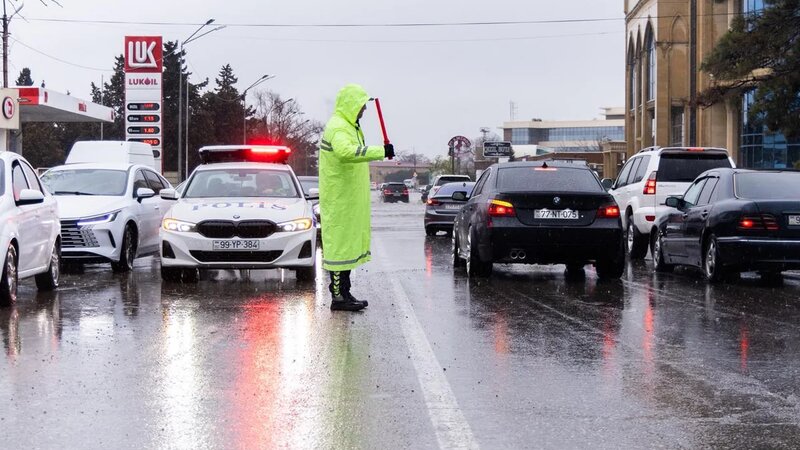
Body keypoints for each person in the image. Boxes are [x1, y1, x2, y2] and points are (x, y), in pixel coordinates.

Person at [319, 84, 395, 311]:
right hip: (339, 199)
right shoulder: (339, 128)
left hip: (347, 199)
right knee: (339, 249)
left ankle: (345, 292)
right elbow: (346, 152)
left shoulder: (349, 126)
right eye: (361, 106)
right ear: (351, 105)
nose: (364, 110)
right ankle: (338, 297)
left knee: (347, 247)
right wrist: (381, 152)